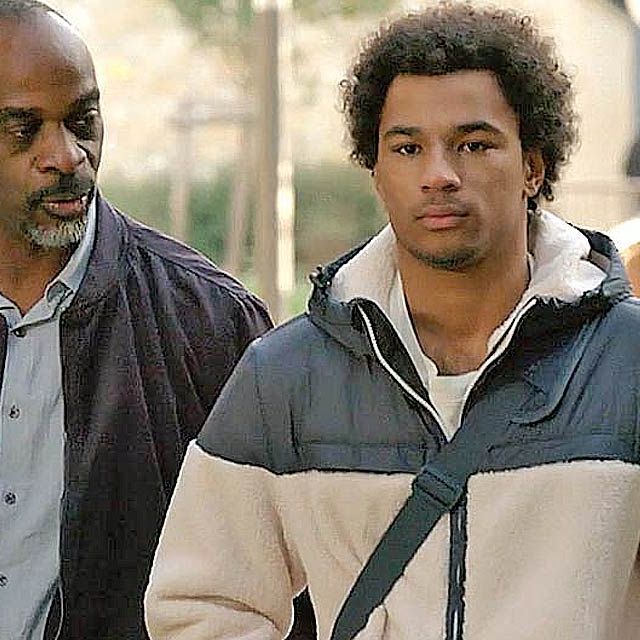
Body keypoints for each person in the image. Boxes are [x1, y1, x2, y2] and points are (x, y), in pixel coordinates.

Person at [145, 3, 640, 639]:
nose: (438, 175)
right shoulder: (286, 377)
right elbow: (199, 604)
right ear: (377, 173)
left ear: (532, 167)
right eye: (407, 148)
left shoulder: (626, 361)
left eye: (474, 144)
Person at [0, 2, 276, 638]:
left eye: (82, 121)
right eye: (24, 130)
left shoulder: (211, 324)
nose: (66, 156)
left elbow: (275, 579)